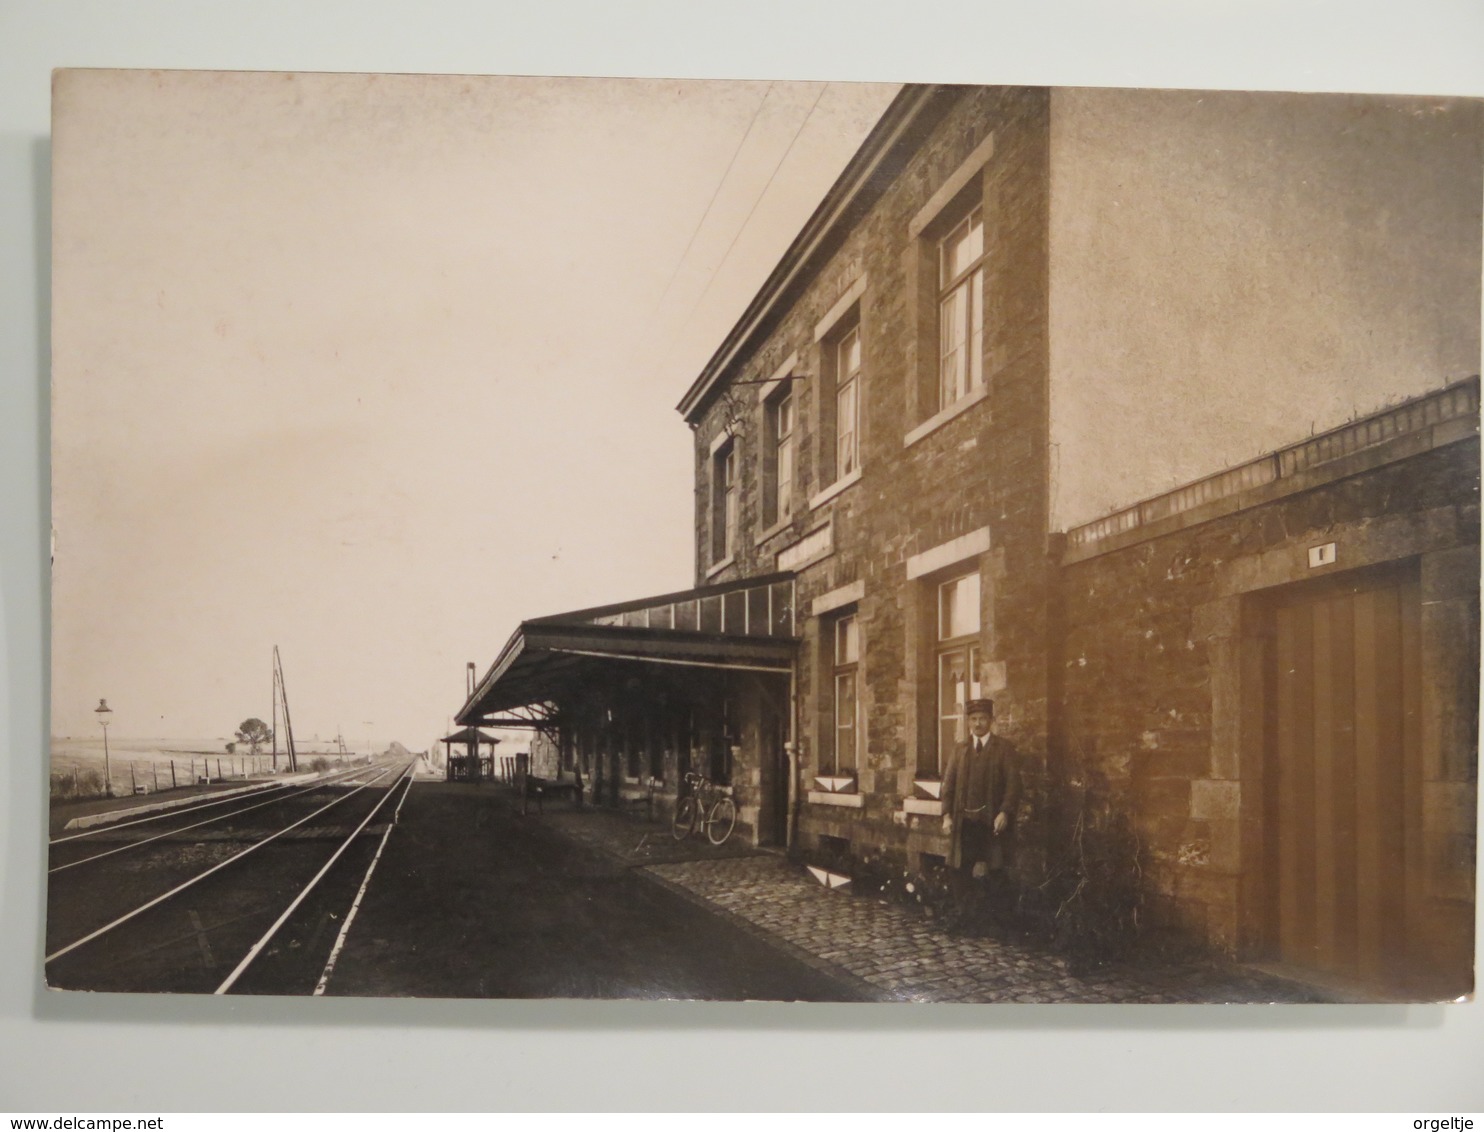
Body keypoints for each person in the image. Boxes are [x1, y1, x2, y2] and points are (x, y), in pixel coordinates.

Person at [940, 697, 1022, 926]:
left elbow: (1014, 785)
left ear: (991, 721)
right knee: (958, 869)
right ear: (968, 722)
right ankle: (964, 918)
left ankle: (996, 922)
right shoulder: (959, 750)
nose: (978, 724)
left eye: (983, 719)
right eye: (974, 719)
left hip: (991, 822)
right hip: (964, 821)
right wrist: (946, 815)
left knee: (995, 870)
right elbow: (948, 786)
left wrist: (1005, 812)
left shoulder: (1003, 749)